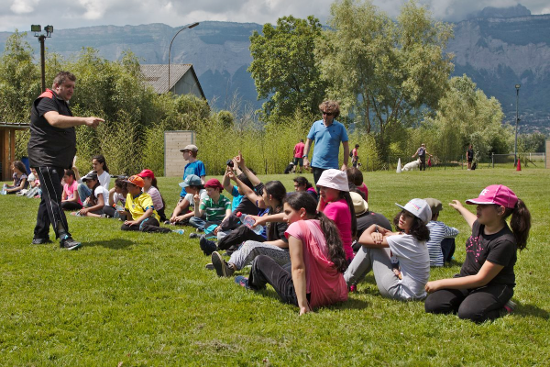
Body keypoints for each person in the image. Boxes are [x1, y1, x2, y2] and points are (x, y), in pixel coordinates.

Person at [425, 185, 531, 323]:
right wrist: (461, 208)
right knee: (433, 304)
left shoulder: (504, 242)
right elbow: (472, 219)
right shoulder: (481, 225)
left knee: (469, 313)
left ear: (500, 210)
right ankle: (471, 299)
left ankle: (503, 305)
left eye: (483, 205)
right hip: (468, 279)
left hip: (493, 286)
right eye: (478, 204)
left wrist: (440, 283)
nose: (477, 207)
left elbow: (482, 279)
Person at [234, 192, 349, 315]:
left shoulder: (296, 228)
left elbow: (299, 268)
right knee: (285, 267)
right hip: (334, 293)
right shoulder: (324, 224)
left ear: (302, 212)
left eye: (288, 213)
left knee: (260, 260)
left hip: (310, 297)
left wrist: (303, 305)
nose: (284, 218)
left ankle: (251, 284)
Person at [27, 71, 104, 250]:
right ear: (57, 86)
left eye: (73, 87)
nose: (71, 90)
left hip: (56, 158)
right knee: (54, 197)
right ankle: (64, 236)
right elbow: (54, 120)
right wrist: (84, 120)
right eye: (68, 86)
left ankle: (40, 235)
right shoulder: (46, 99)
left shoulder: (60, 102)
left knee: (48, 196)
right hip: (45, 157)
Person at [344, 198, 431, 301]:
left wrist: (374, 227)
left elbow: (363, 240)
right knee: (378, 245)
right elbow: (390, 234)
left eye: (409, 215)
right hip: (415, 293)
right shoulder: (414, 238)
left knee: (370, 247)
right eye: (403, 212)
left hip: (400, 292)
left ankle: (343, 284)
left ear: (417, 222)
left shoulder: (405, 240)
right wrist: (378, 234)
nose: (402, 216)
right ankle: (348, 283)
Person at [210, 179, 289, 276]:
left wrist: (264, 244)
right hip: (276, 249)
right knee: (246, 243)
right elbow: (265, 219)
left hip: (286, 256)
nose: (261, 197)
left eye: (263, 194)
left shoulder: (283, 215)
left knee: (252, 245)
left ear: (270, 197)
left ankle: (229, 269)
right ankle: (227, 265)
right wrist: (251, 218)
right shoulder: (273, 209)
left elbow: (286, 243)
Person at [303, 100, 349, 185]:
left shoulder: (340, 127)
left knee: (331, 192)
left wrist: (345, 164)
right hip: (316, 164)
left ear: (334, 114)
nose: (325, 116)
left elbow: (346, 147)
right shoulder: (316, 125)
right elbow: (308, 142)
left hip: (332, 166)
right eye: (323, 113)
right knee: (319, 193)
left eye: (328, 114)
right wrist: (305, 157)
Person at [316, 169, 357, 262]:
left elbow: (316, 227)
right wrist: (321, 201)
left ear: (338, 189)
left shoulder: (334, 207)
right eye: (320, 188)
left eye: (324, 188)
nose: (320, 192)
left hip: (337, 258)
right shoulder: (342, 203)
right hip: (346, 256)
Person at [424, 198, 459, 267]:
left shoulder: (414, 225)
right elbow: (455, 232)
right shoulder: (441, 226)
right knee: (450, 238)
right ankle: (448, 258)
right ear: (436, 214)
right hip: (436, 263)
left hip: (418, 262)